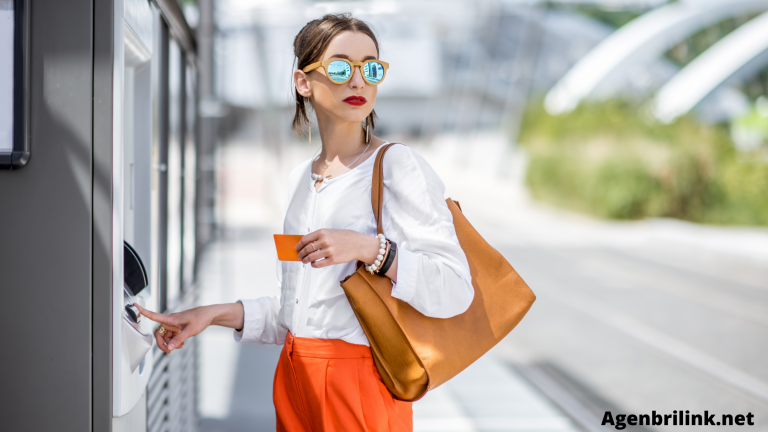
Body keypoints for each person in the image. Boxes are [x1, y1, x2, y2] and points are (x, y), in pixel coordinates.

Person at [136, 13, 473, 432]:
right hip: (295, 376)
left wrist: (372, 249)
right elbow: (295, 313)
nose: (357, 81)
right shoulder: (300, 181)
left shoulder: (397, 167)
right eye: (339, 66)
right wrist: (210, 315)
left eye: (370, 67)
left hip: (358, 385)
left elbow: (457, 289)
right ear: (303, 81)